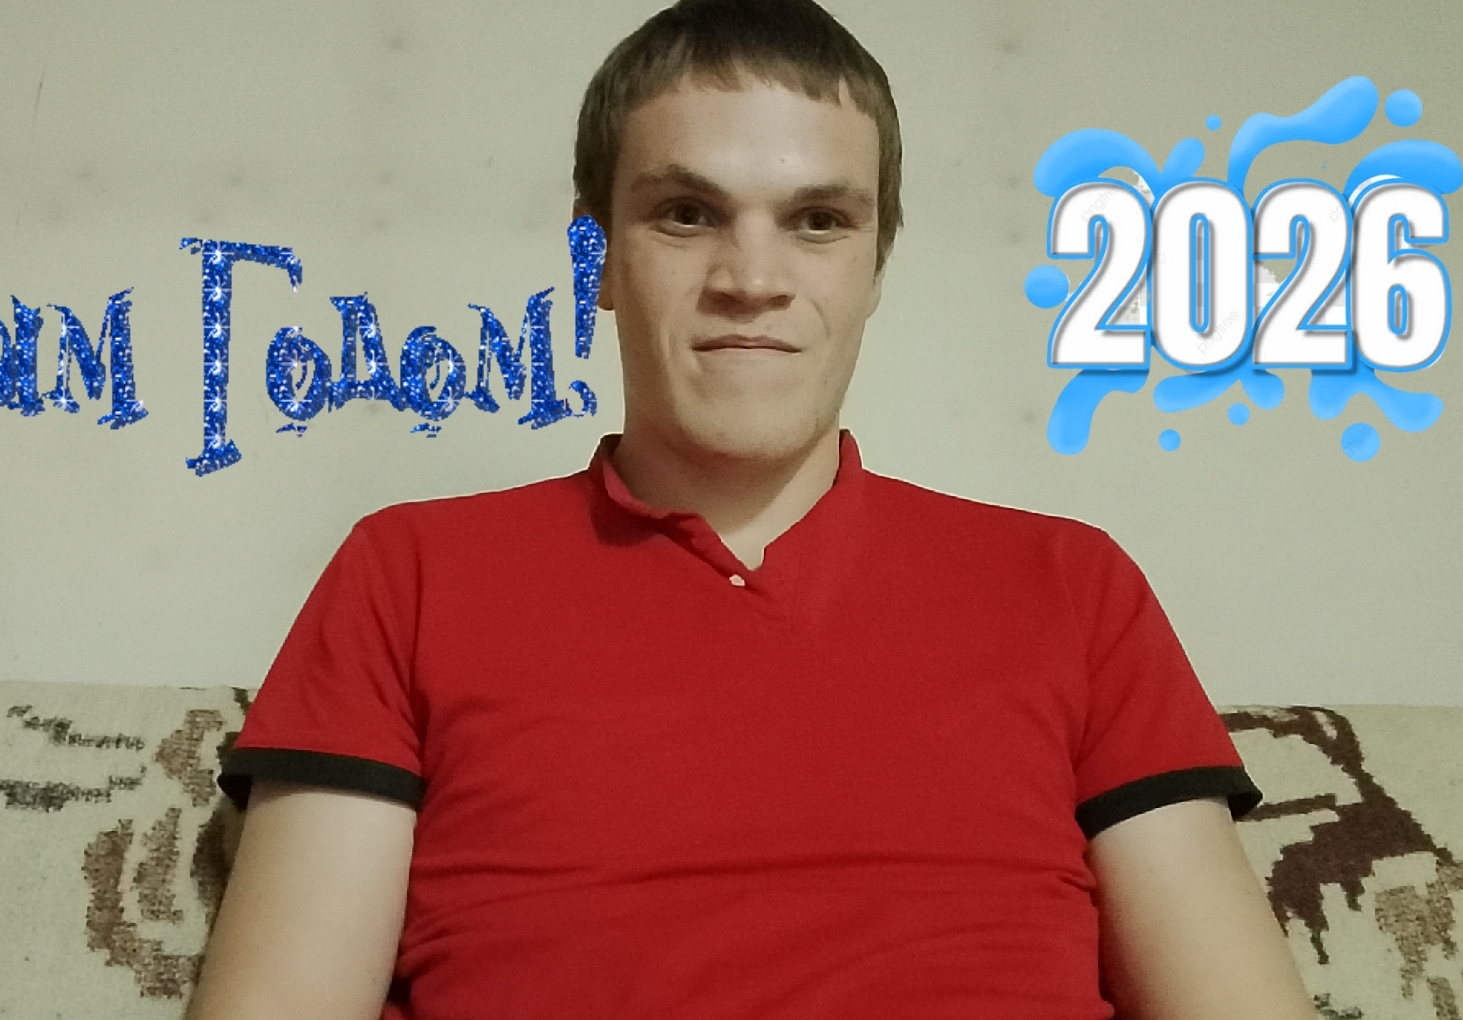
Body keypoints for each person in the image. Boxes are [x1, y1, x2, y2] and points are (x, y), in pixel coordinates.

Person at [187, 1, 1322, 1017]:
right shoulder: (410, 573)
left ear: (875, 265)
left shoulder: (1069, 585)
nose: (750, 278)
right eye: (687, 213)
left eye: (818, 220)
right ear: (595, 255)